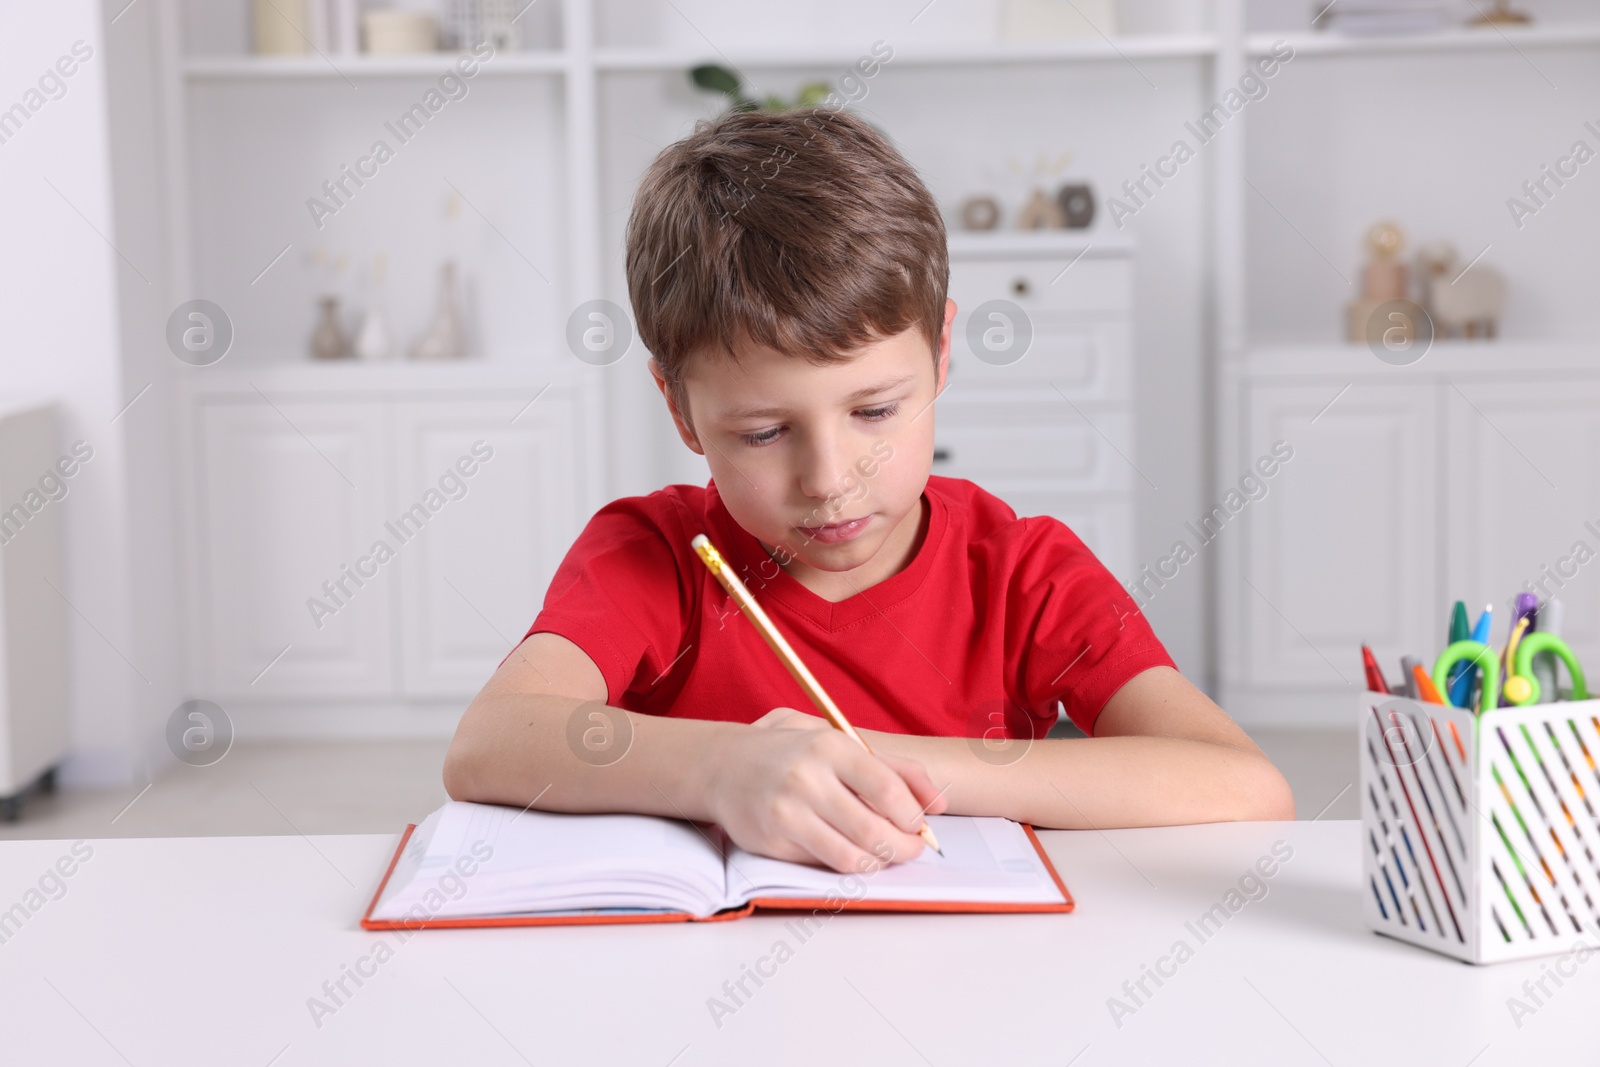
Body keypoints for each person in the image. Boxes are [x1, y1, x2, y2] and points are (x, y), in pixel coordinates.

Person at [444, 107, 1294, 874]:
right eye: (765, 433)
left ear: (943, 354)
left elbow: (1243, 785)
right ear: (680, 408)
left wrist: (881, 762)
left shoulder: (1021, 571)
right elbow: (487, 743)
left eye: (876, 410)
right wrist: (723, 766)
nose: (829, 477)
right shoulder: (653, 556)